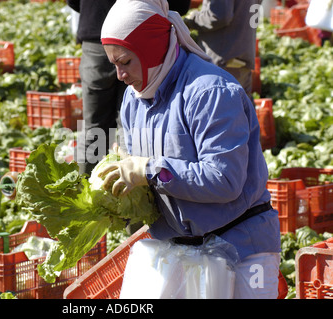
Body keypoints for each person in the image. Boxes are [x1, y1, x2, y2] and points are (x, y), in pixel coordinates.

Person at [98, 0, 281, 298]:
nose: (120, 75)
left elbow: (225, 181)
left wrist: (148, 170)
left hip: (240, 249)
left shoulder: (211, 92)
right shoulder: (135, 98)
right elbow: (139, 170)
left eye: (125, 62)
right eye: (114, 64)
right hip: (180, 247)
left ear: (151, 50)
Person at [66, 0, 191, 175]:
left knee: (94, 128)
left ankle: (81, 191)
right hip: (139, 40)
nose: (120, 73)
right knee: (132, 126)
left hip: (96, 39)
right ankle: (128, 188)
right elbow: (181, 5)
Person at [183, 0, 262, 98]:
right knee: (242, 106)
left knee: (223, 105)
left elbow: (218, 16)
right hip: (243, 54)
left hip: (224, 56)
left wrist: (192, 19)